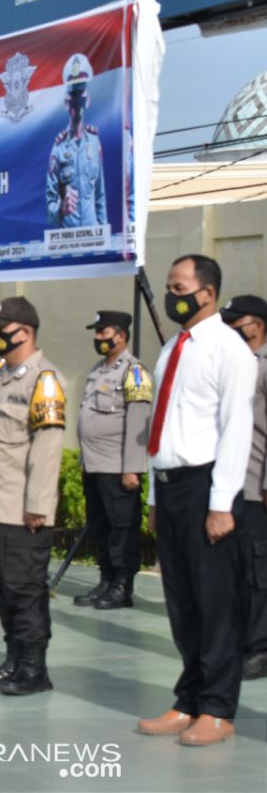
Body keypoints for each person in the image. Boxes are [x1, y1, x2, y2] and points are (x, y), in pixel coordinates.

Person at [137, 255, 255, 747]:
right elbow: (159, 426)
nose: (171, 294)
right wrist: (152, 490)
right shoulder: (172, 348)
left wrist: (222, 502)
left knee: (215, 604)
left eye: (178, 286)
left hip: (208, 486)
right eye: (168, 286)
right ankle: (189, 698)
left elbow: (236, 428)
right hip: (171, 486)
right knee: (183, 603)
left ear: (206, 292)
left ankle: (218, 709)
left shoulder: (230, 349)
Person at [0, 296, 66, 696]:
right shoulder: (0, 376)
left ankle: (33, 667)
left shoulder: (43, 379)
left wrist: (38, 506)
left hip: (20, 509)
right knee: (0, 586)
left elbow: (47, 447)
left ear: (23, 331)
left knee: (25, 589)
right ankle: (13, 658)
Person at [74, 311, 152, 610]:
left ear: (120, 335)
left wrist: (133, 467)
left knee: (122, 529)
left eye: (102, 332)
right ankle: (106, 580)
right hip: (94, 464)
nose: (97, 338)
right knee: (101, 527)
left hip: (117, 465)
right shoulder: (98, 370)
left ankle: (122, 585)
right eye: (96, 332)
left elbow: (138, 422)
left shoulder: (134, 371)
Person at [220, 295, 267, 681]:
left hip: (257, 486)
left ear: (259, 324)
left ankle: (259, 647)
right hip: (232, 485)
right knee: (238, 569)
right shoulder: (237, 363)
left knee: (257, 571)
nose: (232, 328)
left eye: (238, 322)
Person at [47, 53, 107, 228]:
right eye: (73, 95)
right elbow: (49, 206)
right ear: (67, 101)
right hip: (69, 243)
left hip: (93, 238)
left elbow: (100, 196)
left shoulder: (94, 143)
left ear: (87, 99)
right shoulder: (58, 149)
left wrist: (104, 236)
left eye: (80, 94)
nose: (77, 102)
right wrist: (61, 209)